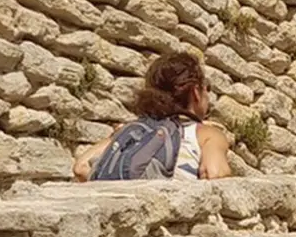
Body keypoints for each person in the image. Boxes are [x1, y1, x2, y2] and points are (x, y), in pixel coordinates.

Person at [73, 53, 233, 182]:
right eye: (207, 88)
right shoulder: (207, 134)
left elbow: (81, 167)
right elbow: (215, 174)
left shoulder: (132, 133)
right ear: (196, 92)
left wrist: (116, 137)